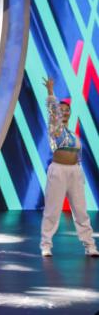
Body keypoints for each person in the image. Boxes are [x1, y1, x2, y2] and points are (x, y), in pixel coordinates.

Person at [40, 76, 98, 258]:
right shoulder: (55, 129)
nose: (64, 112)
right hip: (58, 170)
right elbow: (53, 112)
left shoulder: (73, 136)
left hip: (74, 172)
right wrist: (50, 92)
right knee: (52, 210)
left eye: (67, 110)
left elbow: (78, 157)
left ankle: (89, 245)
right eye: (61, 110)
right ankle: (46, 245)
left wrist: (79, 174)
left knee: (81, 211)